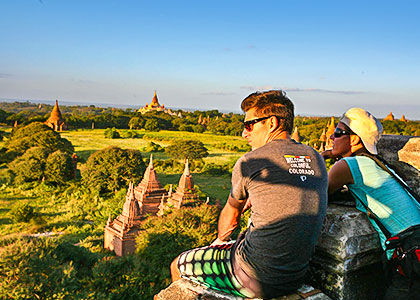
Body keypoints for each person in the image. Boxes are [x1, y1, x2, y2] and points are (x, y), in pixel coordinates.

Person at [170, 90, 328, 298]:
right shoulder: (316, 158)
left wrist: (218, 242)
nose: (245, 133)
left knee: (178, 264)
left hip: (254, 278)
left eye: (249, 125)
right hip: (295, 276)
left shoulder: (251, 161)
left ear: (272, 123)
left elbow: (232, 216)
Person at [322, 107, 420, 300]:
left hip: (410, 252)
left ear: (355, 139)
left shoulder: (349, 165)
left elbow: (315, 193)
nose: (332, 138)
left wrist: (320, 157)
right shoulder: (374, 163)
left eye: (338, 133)